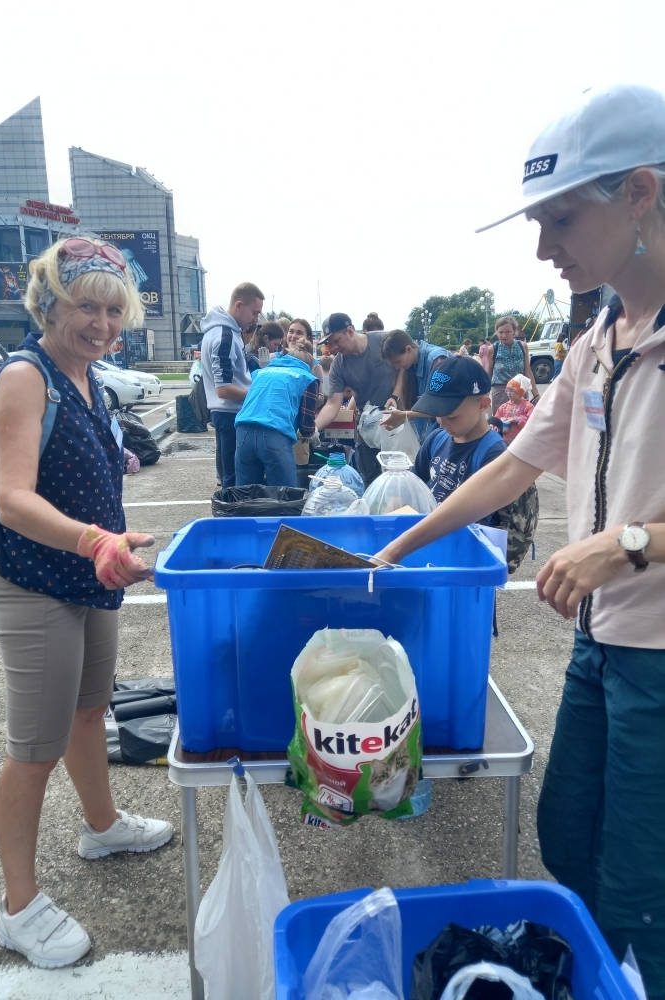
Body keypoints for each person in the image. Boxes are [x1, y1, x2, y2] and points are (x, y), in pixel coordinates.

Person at [374, 84, 665, 997]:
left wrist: (628, 544)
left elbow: (624, 535)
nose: (544, 249)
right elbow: (510, 469)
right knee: (566, 838)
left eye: (561, 220)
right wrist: (396, 547)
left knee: (640, 889)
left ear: (642, 194)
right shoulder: (598, 340)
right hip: (600, 642)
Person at [0, 237, 172, 969]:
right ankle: (18, 907)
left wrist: (106, 538)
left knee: (92, 711)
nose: (101, 323)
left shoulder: (87, 377)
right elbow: (12, 499)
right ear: (48, 305)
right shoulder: (27, 377)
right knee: (34, 745)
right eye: (84, 307)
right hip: (37, 581)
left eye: (112, 310)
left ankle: (101, 825)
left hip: (90, 574)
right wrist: (97, 538)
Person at [410, 356, 506, 505]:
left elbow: (480, 518)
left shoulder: (493, 454)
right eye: (437, 415)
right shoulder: (436, 439)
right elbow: (412, 486)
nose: (441, 424)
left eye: (451, 417)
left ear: (482, 405)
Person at [314, 313, 396, 487]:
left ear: (350, 331)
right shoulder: (338, 365)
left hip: (396, 419)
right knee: (370, 478)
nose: (334, 348)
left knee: (396, 475)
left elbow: (406, 368)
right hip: (366, 423)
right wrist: (313, 429)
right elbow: (333, 403)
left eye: (336, 341)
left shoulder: (383, 341)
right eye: (330, 344)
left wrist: (397, 395)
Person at [200, 282, 264, 488]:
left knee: (230, 475)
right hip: (230, 414)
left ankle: (231, 515)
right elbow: (224, 389)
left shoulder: (222, 332)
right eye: (254, 313)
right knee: (235, 478)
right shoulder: (224, 337)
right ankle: (233, 518)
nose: (256, 319)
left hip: (224, 413)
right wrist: (257, 394)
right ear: (239, 305)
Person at [234, 346, 318, 486]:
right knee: (283, 496)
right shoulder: (307, 378)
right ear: (309, 365)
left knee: (245, 495)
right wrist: (311, 433)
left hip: (243, 432)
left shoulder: (260, 373)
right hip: (275, 433)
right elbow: (306, 425)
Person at [378, 329, 450, 444]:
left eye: (398, 361)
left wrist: (404, 416)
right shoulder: (413, 366)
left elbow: (442, 406)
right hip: (430, 438)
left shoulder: (437, 360)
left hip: (445, 437)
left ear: (408, 349)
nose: (397, 367)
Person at [488, 316, 538, 410]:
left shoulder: (522, 346)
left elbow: (528, 372)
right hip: (501, 393)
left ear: (514, 331)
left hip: (520, 390)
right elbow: (488, 374)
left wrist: (536, 394)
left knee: (521, 421)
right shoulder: (494, 349)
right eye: (500, 332)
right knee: (502, 422)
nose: (504, 335)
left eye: (507, 332)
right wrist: (484, 395)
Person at [493, 374, 534, 444]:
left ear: (520, 392)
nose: (509, 393)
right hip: (505, 442)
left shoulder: (528, 406)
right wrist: (499, 428)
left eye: (512, 390)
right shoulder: (504, 407)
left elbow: (531, 424)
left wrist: (516, 419)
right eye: (507, 390)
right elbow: (495, 423)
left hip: (522, 442)